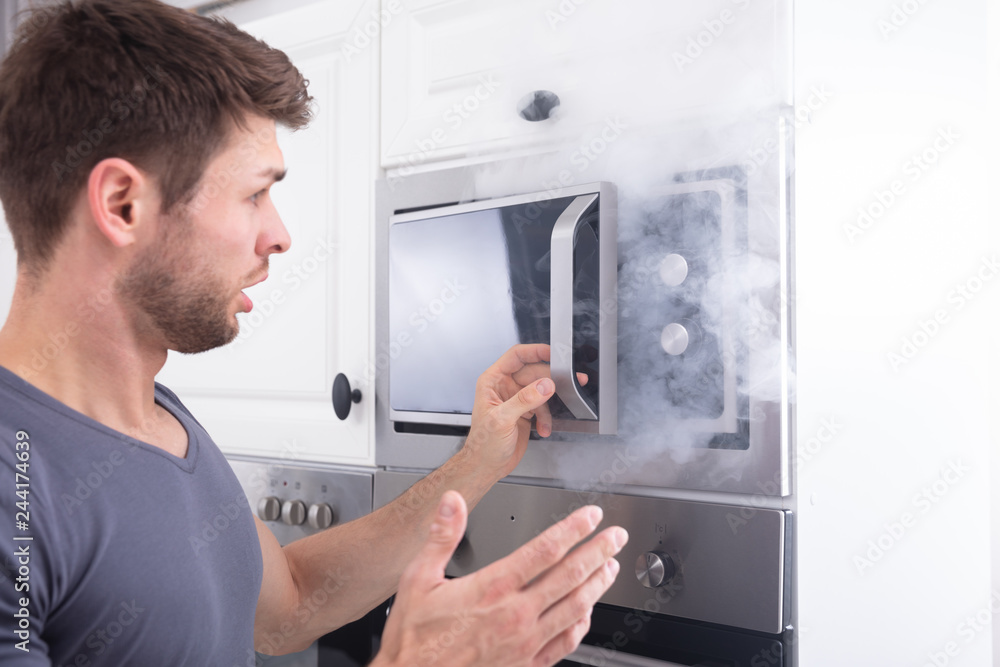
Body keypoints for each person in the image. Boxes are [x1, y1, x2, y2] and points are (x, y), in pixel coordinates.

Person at [0, 1, 627, 665]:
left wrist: (478, 460)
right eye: (253, 194)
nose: (279, 235)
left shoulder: (161, 419)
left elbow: (289, 605)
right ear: (123, 204)